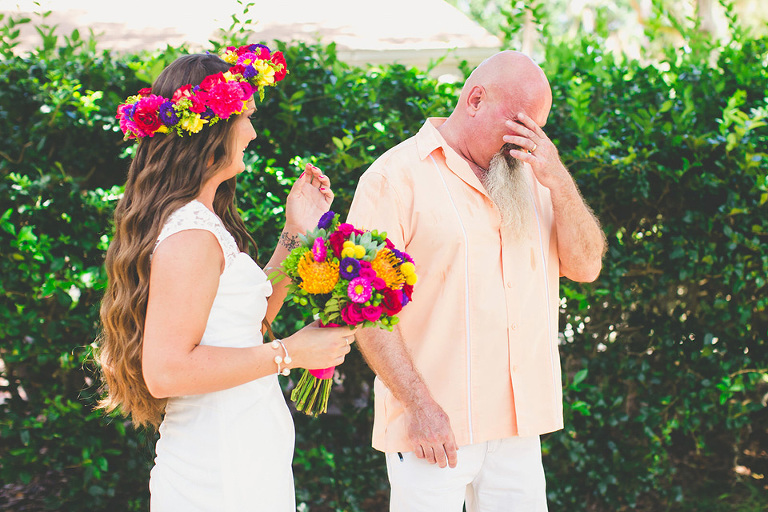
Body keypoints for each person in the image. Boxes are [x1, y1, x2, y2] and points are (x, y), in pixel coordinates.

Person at [97, 45, 355, 511]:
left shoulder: (201, 220)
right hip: (217, 470)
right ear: (213, 127)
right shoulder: (191, 234)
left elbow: (243, 327)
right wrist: (291, 353)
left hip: (244, 453)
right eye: (247, 117)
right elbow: (166, 371)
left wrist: (296, 233)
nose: (253, 132)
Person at [346, 50, 607, 511]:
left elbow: (586, 267)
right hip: (432, 428)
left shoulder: (533, 176)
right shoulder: (392, 178)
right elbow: (366, 312)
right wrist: (419, 407)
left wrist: (560, 181)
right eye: (518, 124)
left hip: (518, 426)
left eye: (536, 129)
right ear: (475, 99)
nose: (524, 142)